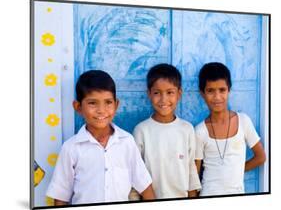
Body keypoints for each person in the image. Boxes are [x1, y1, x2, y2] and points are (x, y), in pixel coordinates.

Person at [46, 70, 155, 205]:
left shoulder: (126, 142)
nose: (101, 110)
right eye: (92, 103)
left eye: (108, 102)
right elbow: (61, 196)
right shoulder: (71, 148)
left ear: (116, 105)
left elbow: (144, 185)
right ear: (78, 107)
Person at [195, 62, 266, 196]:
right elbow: (194, 174)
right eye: (210, 91)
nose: (217, 97)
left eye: (222, 90)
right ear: (202, 93)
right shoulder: (200, 131)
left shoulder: (243, 121)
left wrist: (235, 170)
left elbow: (260, 157)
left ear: (229, 90)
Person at [130, 64, 201, 199]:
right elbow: (136, 172)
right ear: (149, 94)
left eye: (170, 92)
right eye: (157, 93)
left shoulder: (186, 129)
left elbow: (191, 168)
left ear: (179, 94)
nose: (163, 99)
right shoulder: (141, 130)